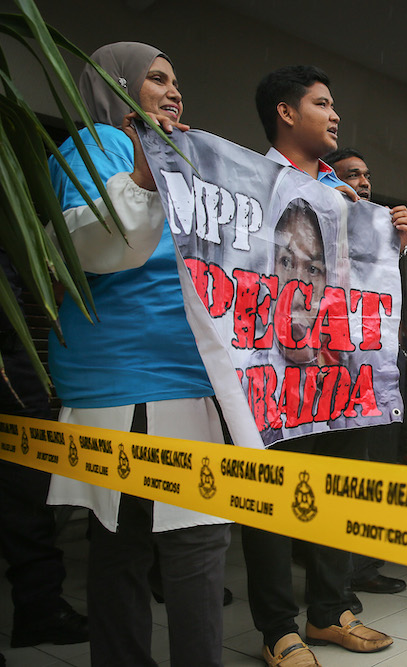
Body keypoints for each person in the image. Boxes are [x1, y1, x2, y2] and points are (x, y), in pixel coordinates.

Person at [45, 42, 231, 667]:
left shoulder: (185, 162)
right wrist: (144, 176)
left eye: (177, 81)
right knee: (162, 546)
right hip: (132, 385)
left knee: (184, 545)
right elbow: (84, 243)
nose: (175, 92)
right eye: (156, 79)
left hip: (187, 380)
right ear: (115, 85)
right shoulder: (97, 145)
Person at [246, 65, 394, 666]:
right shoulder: (253, 185)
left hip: (337, 370)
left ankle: (330, 612)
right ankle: (278, 628)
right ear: (286, 112)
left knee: (337, 490)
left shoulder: (343, 196)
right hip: (276, 371)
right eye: (322, 103)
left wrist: (390, 242)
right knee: (274, 500)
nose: (335, 116)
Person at [325, 147, 407, 601]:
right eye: (351, 175)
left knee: (377, 470)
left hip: (374, 372)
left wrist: (396, 245)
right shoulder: (319, 212)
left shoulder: (379, 232)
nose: (362, 182)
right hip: (332, 372)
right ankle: (336, 578)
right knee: (343, 476)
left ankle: (364, 565)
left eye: (366, 176)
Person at [0, 255, 88, 656]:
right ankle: (39, 605)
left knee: (28, 483)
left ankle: (39, 606)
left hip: (13, 335)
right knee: (26, 483)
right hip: (11, 339)